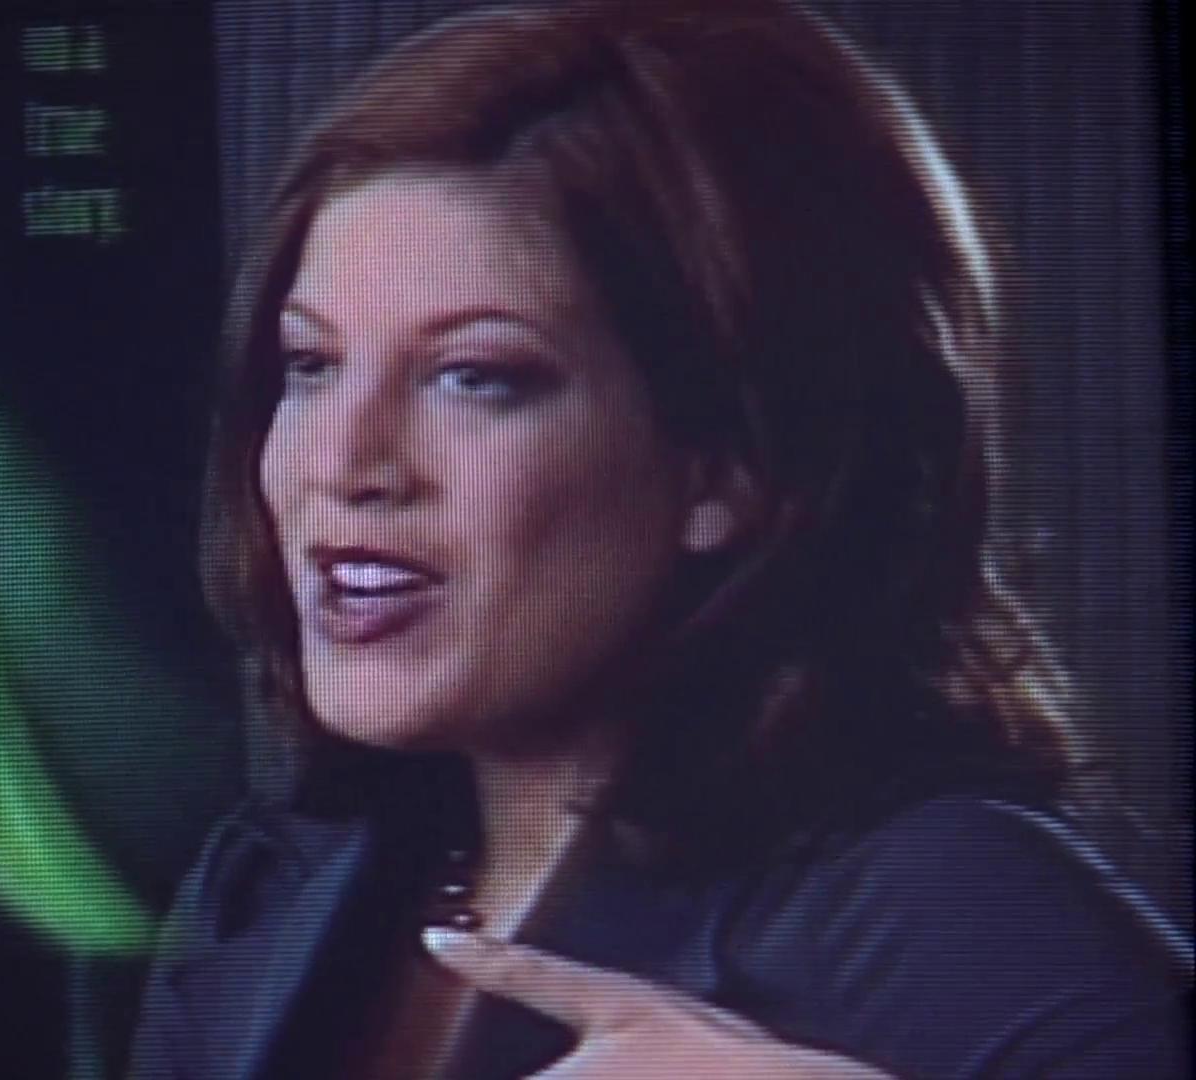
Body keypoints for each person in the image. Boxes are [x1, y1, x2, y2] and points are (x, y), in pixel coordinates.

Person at [128, 0, 1191, 1077]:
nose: (342, 464)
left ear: (731, 460)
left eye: (475, 377)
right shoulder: (260, 897)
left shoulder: (966, 918)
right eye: (310, 366)